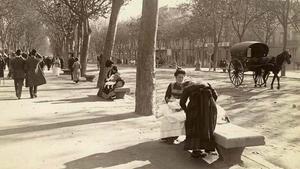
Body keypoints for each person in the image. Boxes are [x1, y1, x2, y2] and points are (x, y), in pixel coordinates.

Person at [179, 81, 218, 158]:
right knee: (207, 126)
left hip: (195, 109)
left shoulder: (187, 88)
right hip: (209, 109)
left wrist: (187, 111)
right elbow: (215, 96)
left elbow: (182, 102)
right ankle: (208, 148)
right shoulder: (207, 84)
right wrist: (207, 106)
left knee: (194, 127)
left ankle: (196, 151)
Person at [156, 68, 186, 144]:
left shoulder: (186, 86)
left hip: (181, 107)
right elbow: (167, 96)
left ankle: (174, 136)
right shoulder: (171, 85)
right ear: (175, 77)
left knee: (177, 118)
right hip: (171, 105)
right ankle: (167, 137)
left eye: (182, 77)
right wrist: (170, 103)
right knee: (167, 117)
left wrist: (180, 107)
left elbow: (187, 99)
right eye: (179, 77)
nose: (181, 79)